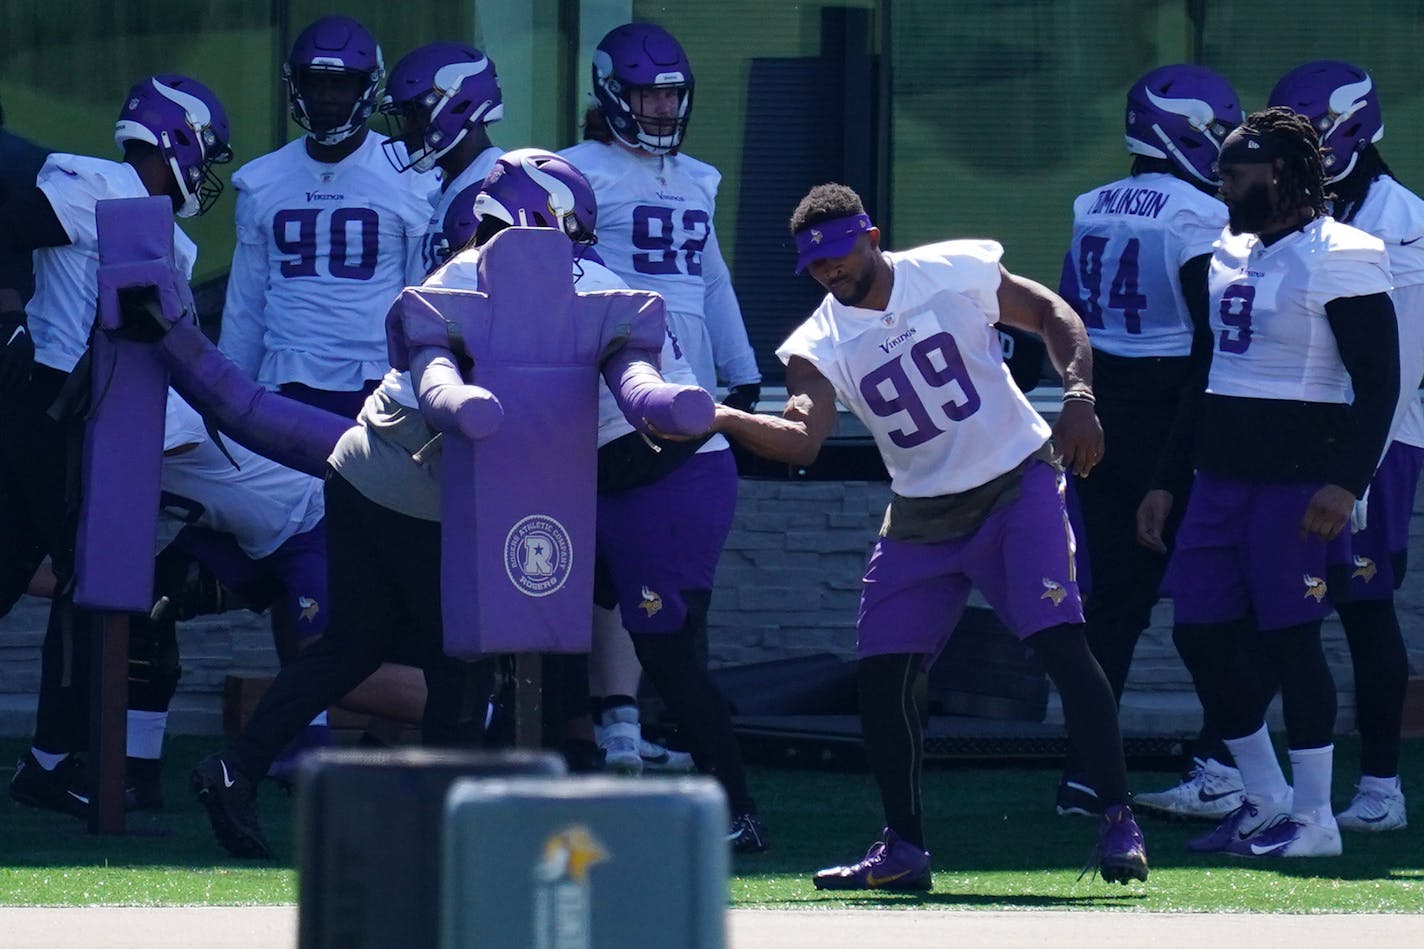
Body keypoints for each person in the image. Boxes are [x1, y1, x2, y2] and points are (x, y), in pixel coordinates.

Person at [189, 148, 711, 859]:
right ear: (544, 220)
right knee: (462, 658)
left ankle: (237, 766)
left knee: (355, 646)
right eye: (573, 234)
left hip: (361, 468)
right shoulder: (515, 280)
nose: (579, 252)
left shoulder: (454, 271)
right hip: (420, 486)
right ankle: (443, 834)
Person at [709, 182, 1148, 887]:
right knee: (883, 676)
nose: (831, 272)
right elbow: (802, 438)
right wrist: (722, 418)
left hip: (1014, 483)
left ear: (871, 237)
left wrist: (1079, 395)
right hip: (921, 511)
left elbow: (1051, 312)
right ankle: (904, 847)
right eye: (816, 265)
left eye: (840, 255)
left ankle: (1119, 818)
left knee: (1060, 642)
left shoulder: (951, 269)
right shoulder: (816, 342)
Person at [1137, 107, 1400, 858]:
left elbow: (1380, 382)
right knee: (1198, 633)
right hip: (1220, 476)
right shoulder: (1228, 249)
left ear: (1277, 173)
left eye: (1233, 172)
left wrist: (1346, 482)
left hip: (1298, 478)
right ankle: (1265, 796)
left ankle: (1314, 819)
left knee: (1291, 641)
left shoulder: (1342, 252)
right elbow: (1205, 374)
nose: (1220, 185)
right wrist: (1166, 479)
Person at [0, 73, 231, 803]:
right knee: (96, 584)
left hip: (75, 413)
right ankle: (50, 763)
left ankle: (47, 762)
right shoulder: (99, 183)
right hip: (53, 400)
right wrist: (7, 306)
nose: (206, 169)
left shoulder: (164, 230)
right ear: (176, 138)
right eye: (205, 151)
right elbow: (7, 224)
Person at [562, 21, 762, 764]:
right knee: (608, 564)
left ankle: (646, 721)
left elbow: (711, 279)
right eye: (646, 96)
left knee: (668, 571)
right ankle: (607, 721)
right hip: (611, 383)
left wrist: (740, 366)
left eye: (669, 96)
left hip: (688, 382)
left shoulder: (697, 177)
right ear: (613, 94)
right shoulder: (577, 169)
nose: (659, 110)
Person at [1060, 64, 1247, 820]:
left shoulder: (1089, 204)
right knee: (1214, 598)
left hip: (1103, 404)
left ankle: (1083, 772)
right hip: (1172, 407)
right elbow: (1214, 341)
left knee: (1110, 608)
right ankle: (1223, 758)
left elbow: (1068, 311)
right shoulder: (1197, 215)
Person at [1266, 61, 1421, 833]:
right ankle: (1241, 772)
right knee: (1270, 605)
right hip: (1296, 434)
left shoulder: (1403, 219)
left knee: (1364, 608)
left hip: (1372, 440)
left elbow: (1399, 367)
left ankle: (1383, 789)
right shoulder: (1289, 212)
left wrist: (1354, 459)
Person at [218, 15, 434, 418]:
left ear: (366, 87)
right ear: (297, 86)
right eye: (315, 82)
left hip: (378, 377)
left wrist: (417, 382)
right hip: (284, 374)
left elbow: (419, 292)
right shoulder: (262, 180)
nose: (327, 96)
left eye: (341, 83)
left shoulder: (410, 171)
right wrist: (231, 391)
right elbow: (245, 302)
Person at [377, 41, 505, 280]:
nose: (407, 129)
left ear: (458, 106)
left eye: (414, 115)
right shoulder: (454, 187)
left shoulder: (500, 190)